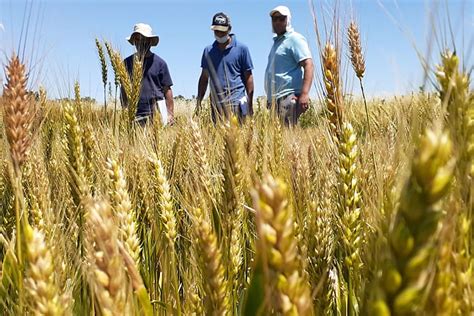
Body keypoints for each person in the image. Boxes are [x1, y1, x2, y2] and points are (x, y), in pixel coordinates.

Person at [196, 12, 254, 123]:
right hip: (216, 105)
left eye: (222, 31)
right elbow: (204, 78)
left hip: (236, 103)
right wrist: (198, 102)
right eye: (216, 31)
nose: (219, 34)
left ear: (229, 29)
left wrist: (250, 103)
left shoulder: (242, 49)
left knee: (237, 138)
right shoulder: (208, 51)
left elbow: (249, 77)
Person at [264, 6, 314, 126]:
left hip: (288, 96)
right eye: (274, 19)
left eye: (281, 19)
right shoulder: (277, 42)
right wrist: (270, 98)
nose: (277, 22)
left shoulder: (294, 39)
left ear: (288, 20)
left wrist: (304, 94)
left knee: (288, 136)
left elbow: (308, 64)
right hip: (276, 99)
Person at [122, 23, 174, 125]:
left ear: (150, 41)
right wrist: (125, 109)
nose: (140, 42)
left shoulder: (160, 63)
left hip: (158, 112)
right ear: (134, 42)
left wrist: (170, 114)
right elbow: (123, 88)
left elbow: (167, 90)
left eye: (143, 39)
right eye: (137, 39)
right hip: (135, 113)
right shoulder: (127, 63)